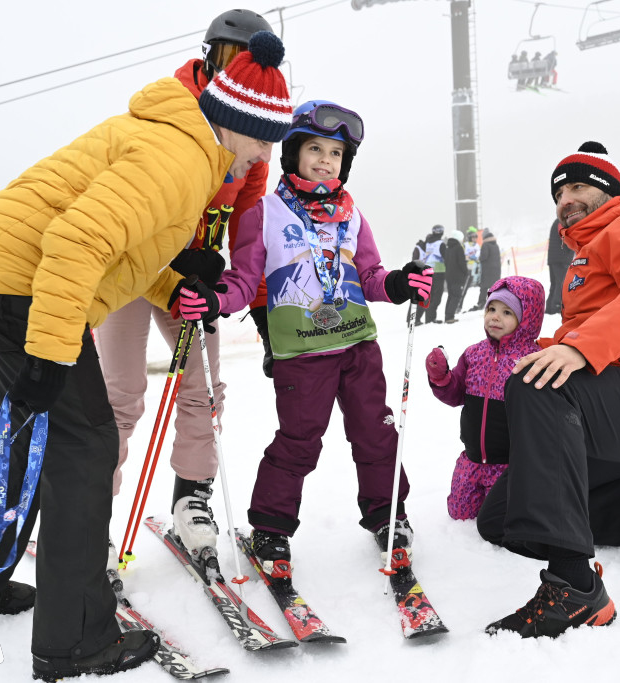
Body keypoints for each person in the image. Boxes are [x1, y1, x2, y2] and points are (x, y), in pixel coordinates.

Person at [0, 31, 291, 681]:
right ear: (235, 124)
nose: (265, 154)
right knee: (86, 444)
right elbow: (78, 241)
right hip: (19, 282)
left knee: (33, 432)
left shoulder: (179, 147)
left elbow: (127, 252)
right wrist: (48, 356)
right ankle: (76, 641)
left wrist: (175, 284)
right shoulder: (179, 159)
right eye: (264, 139)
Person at [173, 99, 434, 575]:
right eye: (315, 148)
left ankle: (389, 517)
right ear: (293, 152)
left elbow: (370, 273)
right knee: (298, 441)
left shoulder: (352, 217)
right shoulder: (263, 214)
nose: (325, 160)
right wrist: (212, 300)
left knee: (376, 434)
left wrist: (399, 283)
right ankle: (271, 529)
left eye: (335, 153)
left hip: (357, 347)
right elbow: (243, 280)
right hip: (301, 354)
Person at [480, 142, 620, 639]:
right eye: (559, 192)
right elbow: (583, 332)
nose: (566, 199)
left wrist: (579, 348)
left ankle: (576, 589)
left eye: (578, 186)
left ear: (608, 192)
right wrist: (530, 348)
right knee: (500, 518)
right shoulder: (582, 255)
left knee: (536, 386)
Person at [93, 9, 275, 568]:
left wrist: (260, 310)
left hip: (193, 279)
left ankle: (191, 499)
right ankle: (91, 514)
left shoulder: (253, 137)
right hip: (133, 266)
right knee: (119, 396)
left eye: (245, 64)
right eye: (226, 59)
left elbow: (249, 226)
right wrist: (169, 252)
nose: (233, 72)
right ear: (209, 54)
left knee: (202, 390)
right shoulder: (170, 110)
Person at [425, 276, 544, 520]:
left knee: (499, 520)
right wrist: (441, 377)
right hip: (472, 459)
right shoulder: (474, 354)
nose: (495, 317)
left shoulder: (534, 360)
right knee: (459, 513)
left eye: (507, 312)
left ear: (526, 319)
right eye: (491, 308)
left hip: (508, 464)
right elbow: (456, 393)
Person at [413, 224, 446, 325]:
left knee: (428, 296)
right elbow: (446, 257)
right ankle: (430, 319)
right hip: (439, 272)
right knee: (436, 297)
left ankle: (426, 318)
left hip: (428, 273)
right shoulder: (441, 243)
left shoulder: (427, 243)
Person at [545, 218, 573, 314]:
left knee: (555, 283)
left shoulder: (558, 221)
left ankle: (549, 308)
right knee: (562, 282)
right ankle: (557, 306)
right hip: (561, 258)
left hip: (554, 258)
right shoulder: (562, 222)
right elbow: (564, 237)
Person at [469, 227, 500, 311]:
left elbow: (483, 257)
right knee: (494, 287)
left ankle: (481, 303)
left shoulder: (485, 245)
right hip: (496, 270)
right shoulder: (496, 245)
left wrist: (478, 257)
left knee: (483, 287)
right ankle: (495, 302)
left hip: (487, 271)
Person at [442, 229, 469, 323]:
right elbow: (461, 263)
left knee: (450, 296)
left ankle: (447, 315)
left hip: (449, 276)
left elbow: (445, 262)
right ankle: (450, 317)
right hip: (457, 276)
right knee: (456, 296)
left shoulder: (448, 248)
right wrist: (466, 272)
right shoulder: (458, 248)